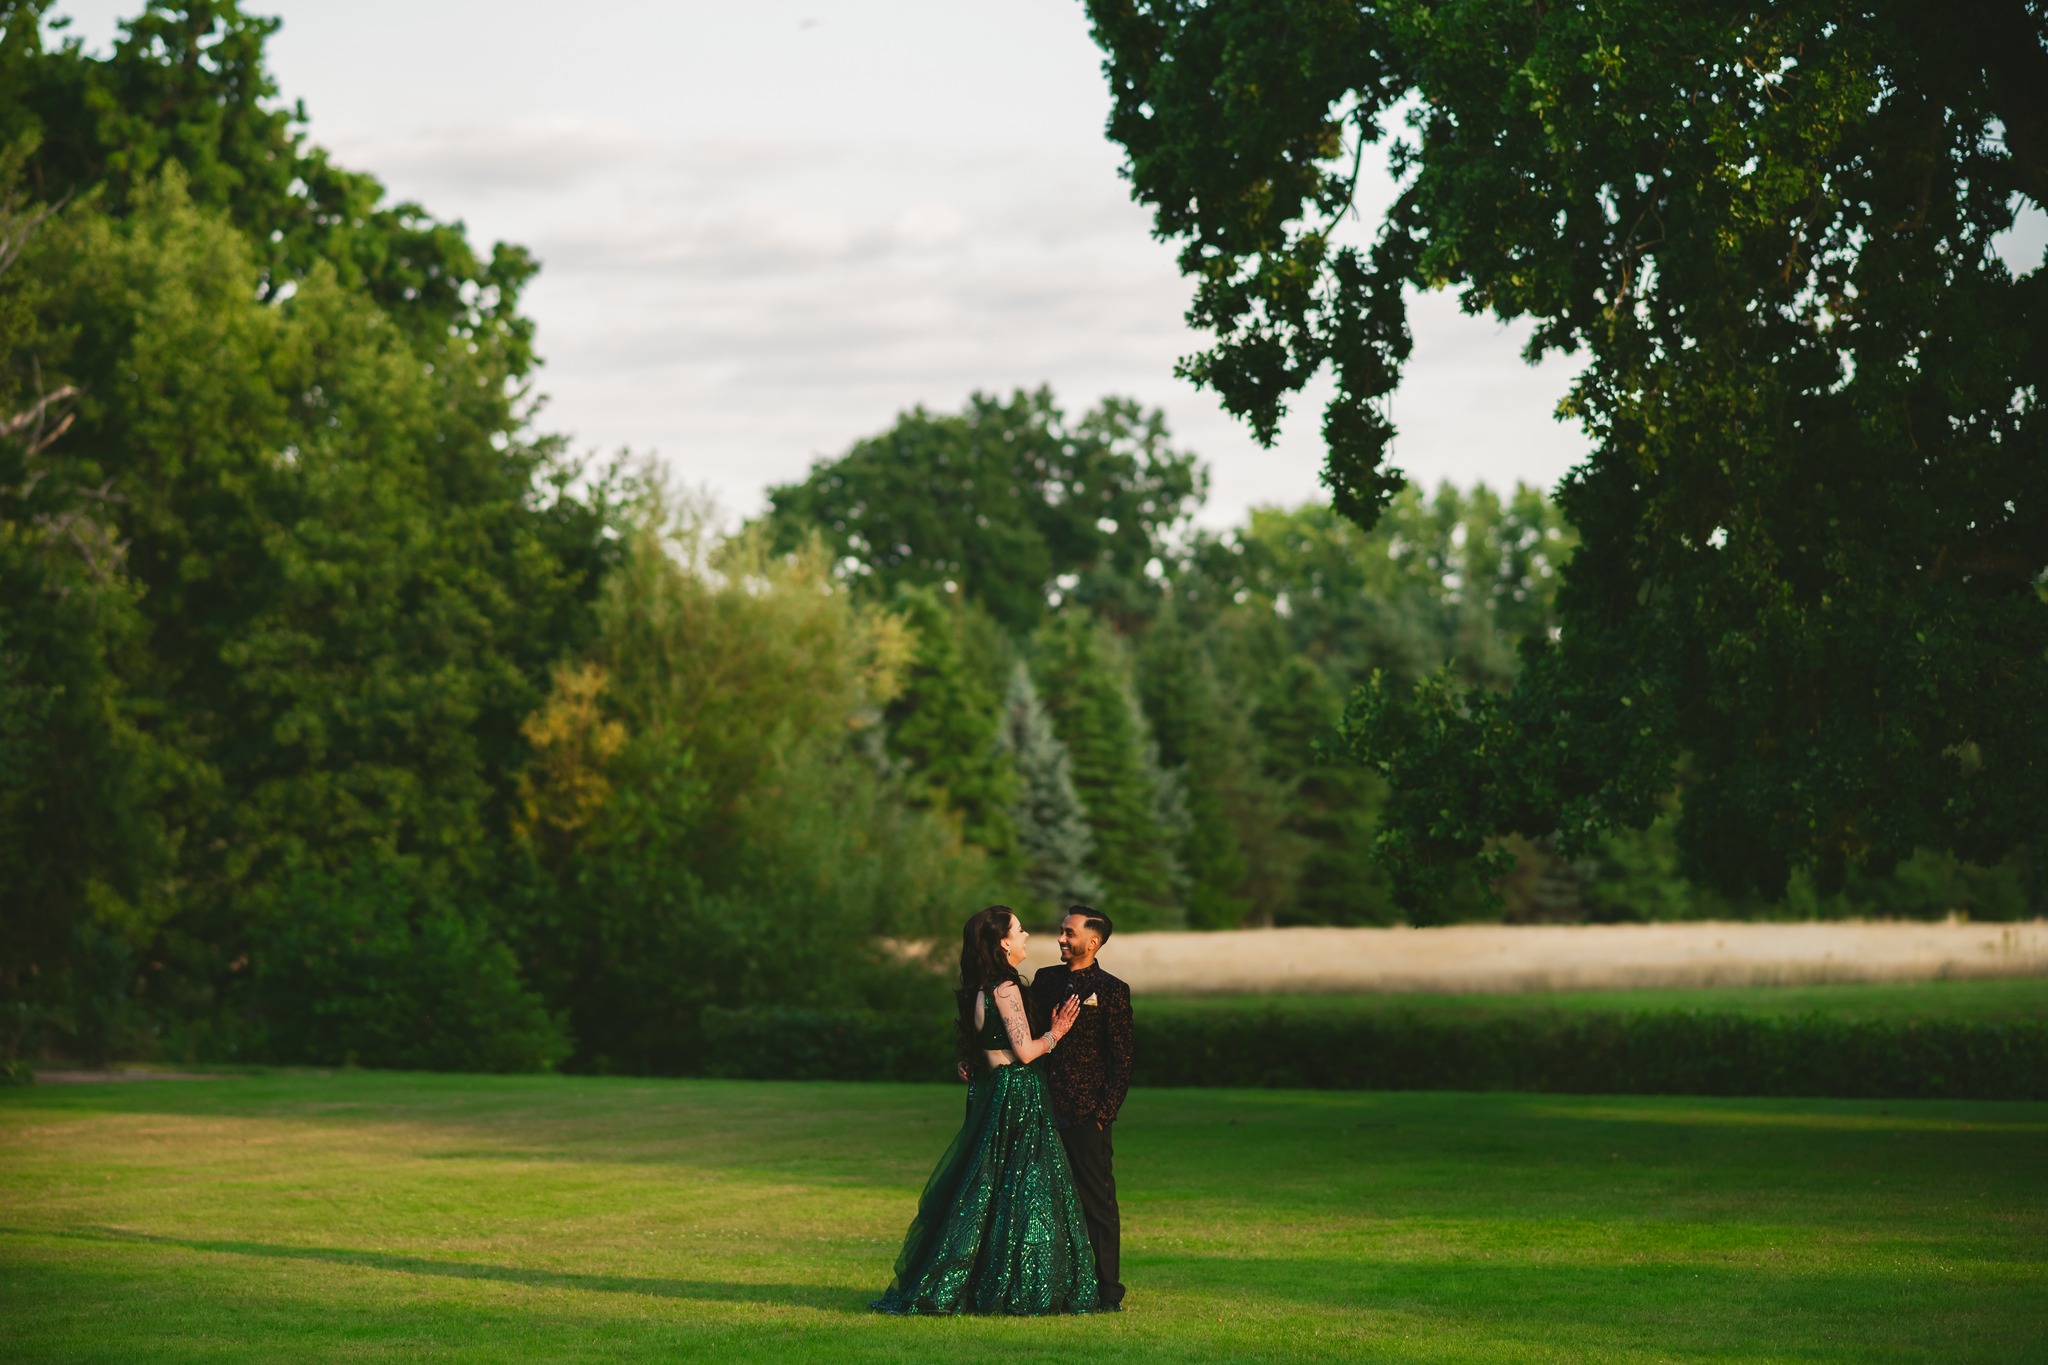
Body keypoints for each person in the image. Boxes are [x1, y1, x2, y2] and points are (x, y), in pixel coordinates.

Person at [871, 906, 1100, 1315]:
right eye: (1019, 930)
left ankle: (970, 1281)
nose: (1027, 935)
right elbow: (1026, 1053)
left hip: (995, 1093)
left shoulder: (979, 989)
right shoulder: (1006, 990)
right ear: (1003, 943)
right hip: (1018, 1093)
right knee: (1026, 1189)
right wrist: (1056, 1032)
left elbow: (981, 1050)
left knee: (987, 1188)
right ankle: (1020, 1288)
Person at [1029, 905, 1133, 1311]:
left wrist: (1104, 1113)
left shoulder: (1111, 990)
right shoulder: (1044, 980)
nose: (1061, 938)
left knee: (1098, 1203)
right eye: (1061, 931)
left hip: (1087, 1114)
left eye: (1069, 933)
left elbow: (1122, 1059)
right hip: (1039, 1108)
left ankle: (1108, 1292)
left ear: (1092, 942)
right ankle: (1052, 1286)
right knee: (1043, 1199)